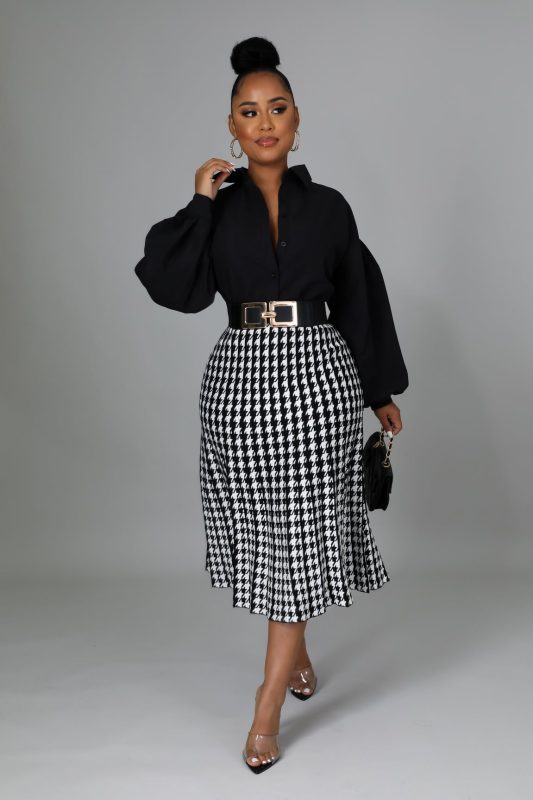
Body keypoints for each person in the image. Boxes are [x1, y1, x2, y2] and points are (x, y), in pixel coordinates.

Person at [134, 35, 408, 773]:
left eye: (276, 108)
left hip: (318, 380)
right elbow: (171, 285)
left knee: (300, 533)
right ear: (232, 126)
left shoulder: (330, 209)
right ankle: (298, 653)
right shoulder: (217, 211)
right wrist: (199, 199)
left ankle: (266, 706)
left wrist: (378, 390)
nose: (264, 122)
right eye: (249, 112)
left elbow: (359, 296)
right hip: (240, 387)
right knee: (274, 538)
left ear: (296, 118)